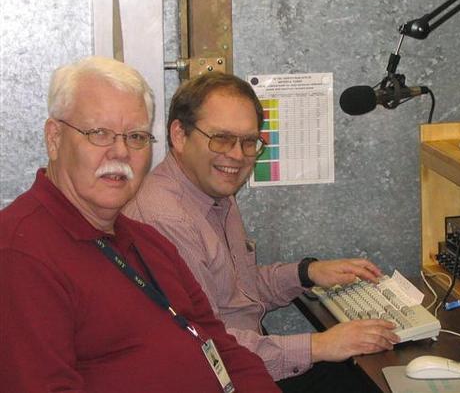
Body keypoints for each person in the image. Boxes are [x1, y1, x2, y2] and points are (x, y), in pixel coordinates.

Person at [0, 57, 279, 393]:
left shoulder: (147, 241)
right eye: (99, 133)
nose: (121, 152)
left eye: (136, 137)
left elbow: (225, 350)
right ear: (54, 138)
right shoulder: (20, 253)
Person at [123, 72, 399, 392]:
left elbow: (238, 289)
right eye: (221, 138)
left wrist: (306, 273)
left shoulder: (213, 188)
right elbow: (205, 348)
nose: (237, 155)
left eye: (248, 142)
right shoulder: (166, 221)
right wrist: (319, 345)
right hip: (221, 376)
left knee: (367, 377)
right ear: (180, 135)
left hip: (243, 360)